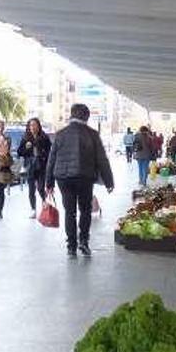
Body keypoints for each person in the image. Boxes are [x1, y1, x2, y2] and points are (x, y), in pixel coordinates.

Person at [45, 104, 114, 258]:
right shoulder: (93, 134)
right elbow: (102, 160)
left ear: (71, 115)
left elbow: (51, 159)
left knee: (69, 212)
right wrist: (109, 182)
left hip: (63, 178)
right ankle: (83, 241)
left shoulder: (60, 134)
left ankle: (71, 246)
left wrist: (48, 183)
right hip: (84, 177)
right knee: (85, 210)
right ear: (87, 117)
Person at [16, 118, 51, 218]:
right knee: (31, 189)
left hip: (41, 166)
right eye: (31, 125)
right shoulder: (26, 138)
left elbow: (50, 151)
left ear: (38, 126)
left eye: (34, 125)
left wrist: (44, 154)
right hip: (30, 166)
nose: (32, 127)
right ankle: (33, 209)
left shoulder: (44, 137)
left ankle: (44, 201)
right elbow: (19, 152)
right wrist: (26, 148)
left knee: (40, 187)